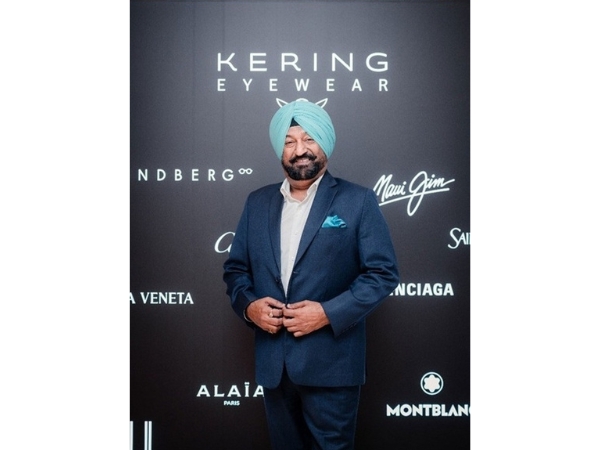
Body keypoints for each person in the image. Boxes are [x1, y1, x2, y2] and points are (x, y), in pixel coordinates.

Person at [223, 100, 399, 450]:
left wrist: (326, 313)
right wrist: (250, 307)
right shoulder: (257, 202)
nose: (299, 150)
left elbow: (382, 273)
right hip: (274, 366)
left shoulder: (358, 201)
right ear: (280, 149)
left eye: (309, 139)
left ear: (325, 144)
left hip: (332, 365)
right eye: (289, 141)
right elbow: (236, 270)